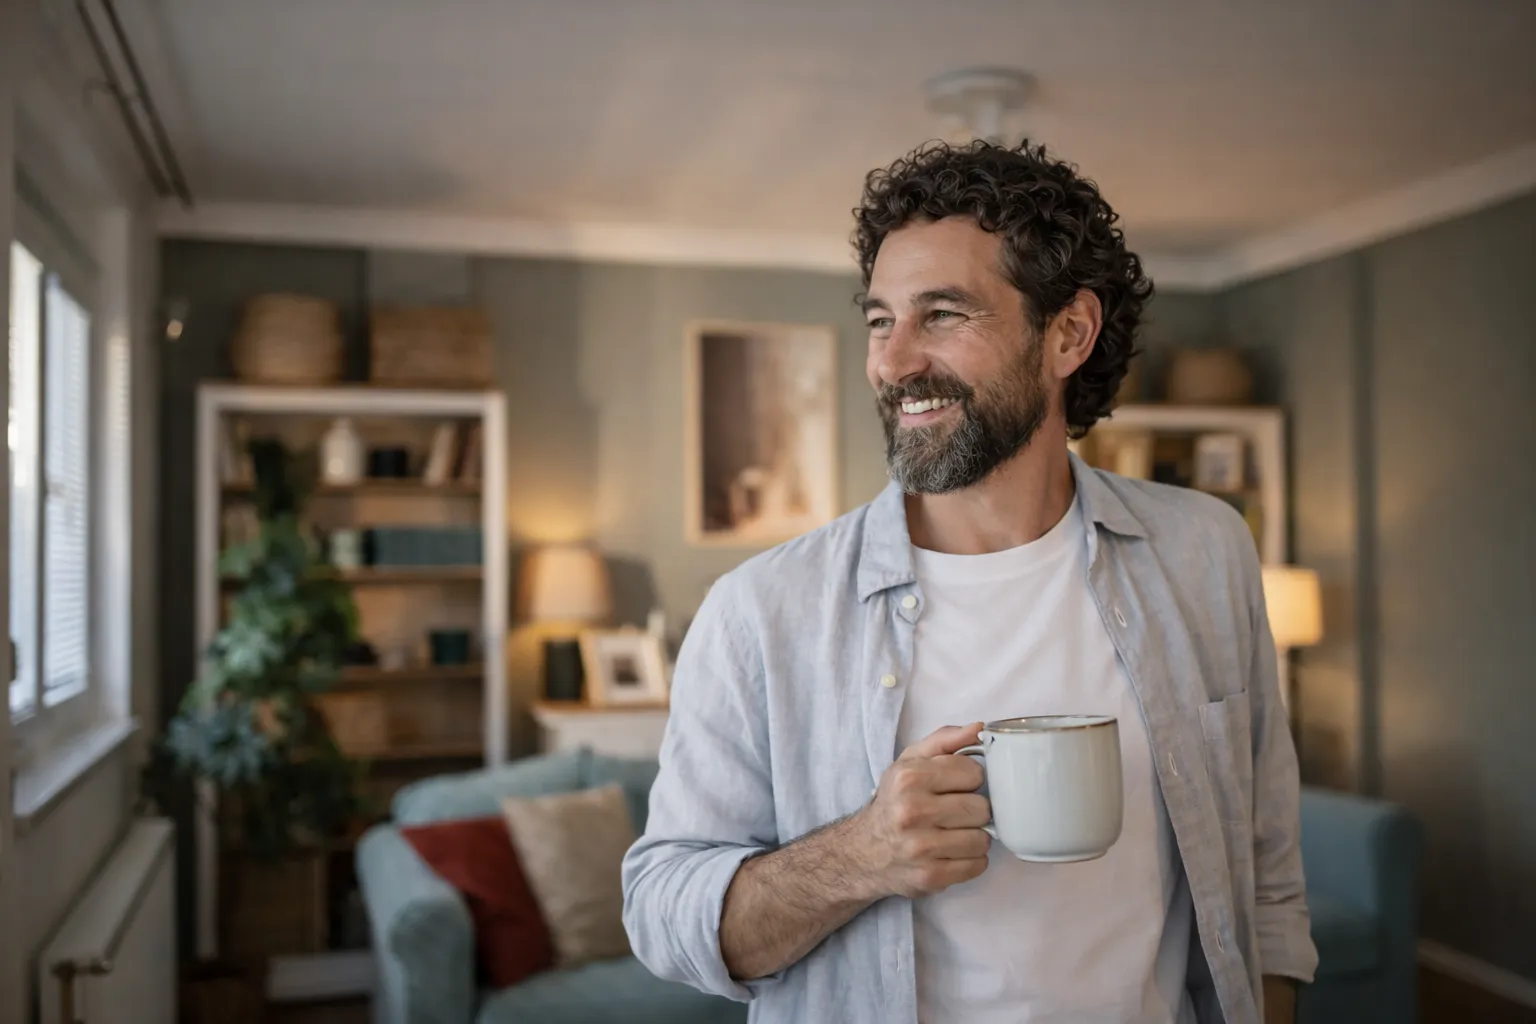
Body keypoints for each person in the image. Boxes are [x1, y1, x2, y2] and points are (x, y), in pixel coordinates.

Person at [622, 139, 1316, 1024]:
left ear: (1068, 334)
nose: (893, 362)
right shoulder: (761, 611)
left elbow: (1266, 870)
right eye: (881, 321)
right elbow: (663, 918)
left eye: (942, 314)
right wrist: (861, 855)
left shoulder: (1203, 553)